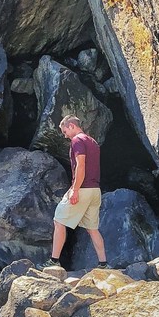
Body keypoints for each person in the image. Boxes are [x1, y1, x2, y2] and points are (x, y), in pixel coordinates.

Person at [51, 115, 108, 268]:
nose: (65, 135)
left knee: (59, 220)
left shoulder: (77, 141)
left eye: (65, 131)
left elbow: (80, 166)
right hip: (95, 191)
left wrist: (75, 190)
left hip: (83, 189)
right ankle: (103, 263)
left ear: (71, 126)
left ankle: (53, 261)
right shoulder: (93, 142)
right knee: (93, 229)